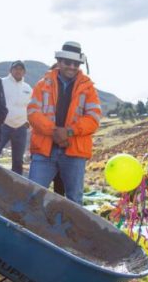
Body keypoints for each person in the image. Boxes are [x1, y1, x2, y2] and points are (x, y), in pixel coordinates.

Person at [27, 41, 101, 205]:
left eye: (76, 63)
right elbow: (33, 113)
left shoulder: (89, 88)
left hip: (74, 153)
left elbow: (94, 119)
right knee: (33, 197)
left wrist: (68, 132)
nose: (72, 66)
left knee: (74, 201)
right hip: (44, 152)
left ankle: (72, 232)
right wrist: (55, 131)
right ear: (59, 62)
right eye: (68, 62)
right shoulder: (42, 85)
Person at [0, 60, 32, 175]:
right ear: (10, 70)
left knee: (18, 161)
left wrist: (28, 121)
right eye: (16, 68)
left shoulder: (28, 88)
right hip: (3, 125)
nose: (18, 71)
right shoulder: (1, 82)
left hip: (21, 127)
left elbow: (31, 106)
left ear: (24, 72)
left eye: (21, 69)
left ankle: (16, 186)